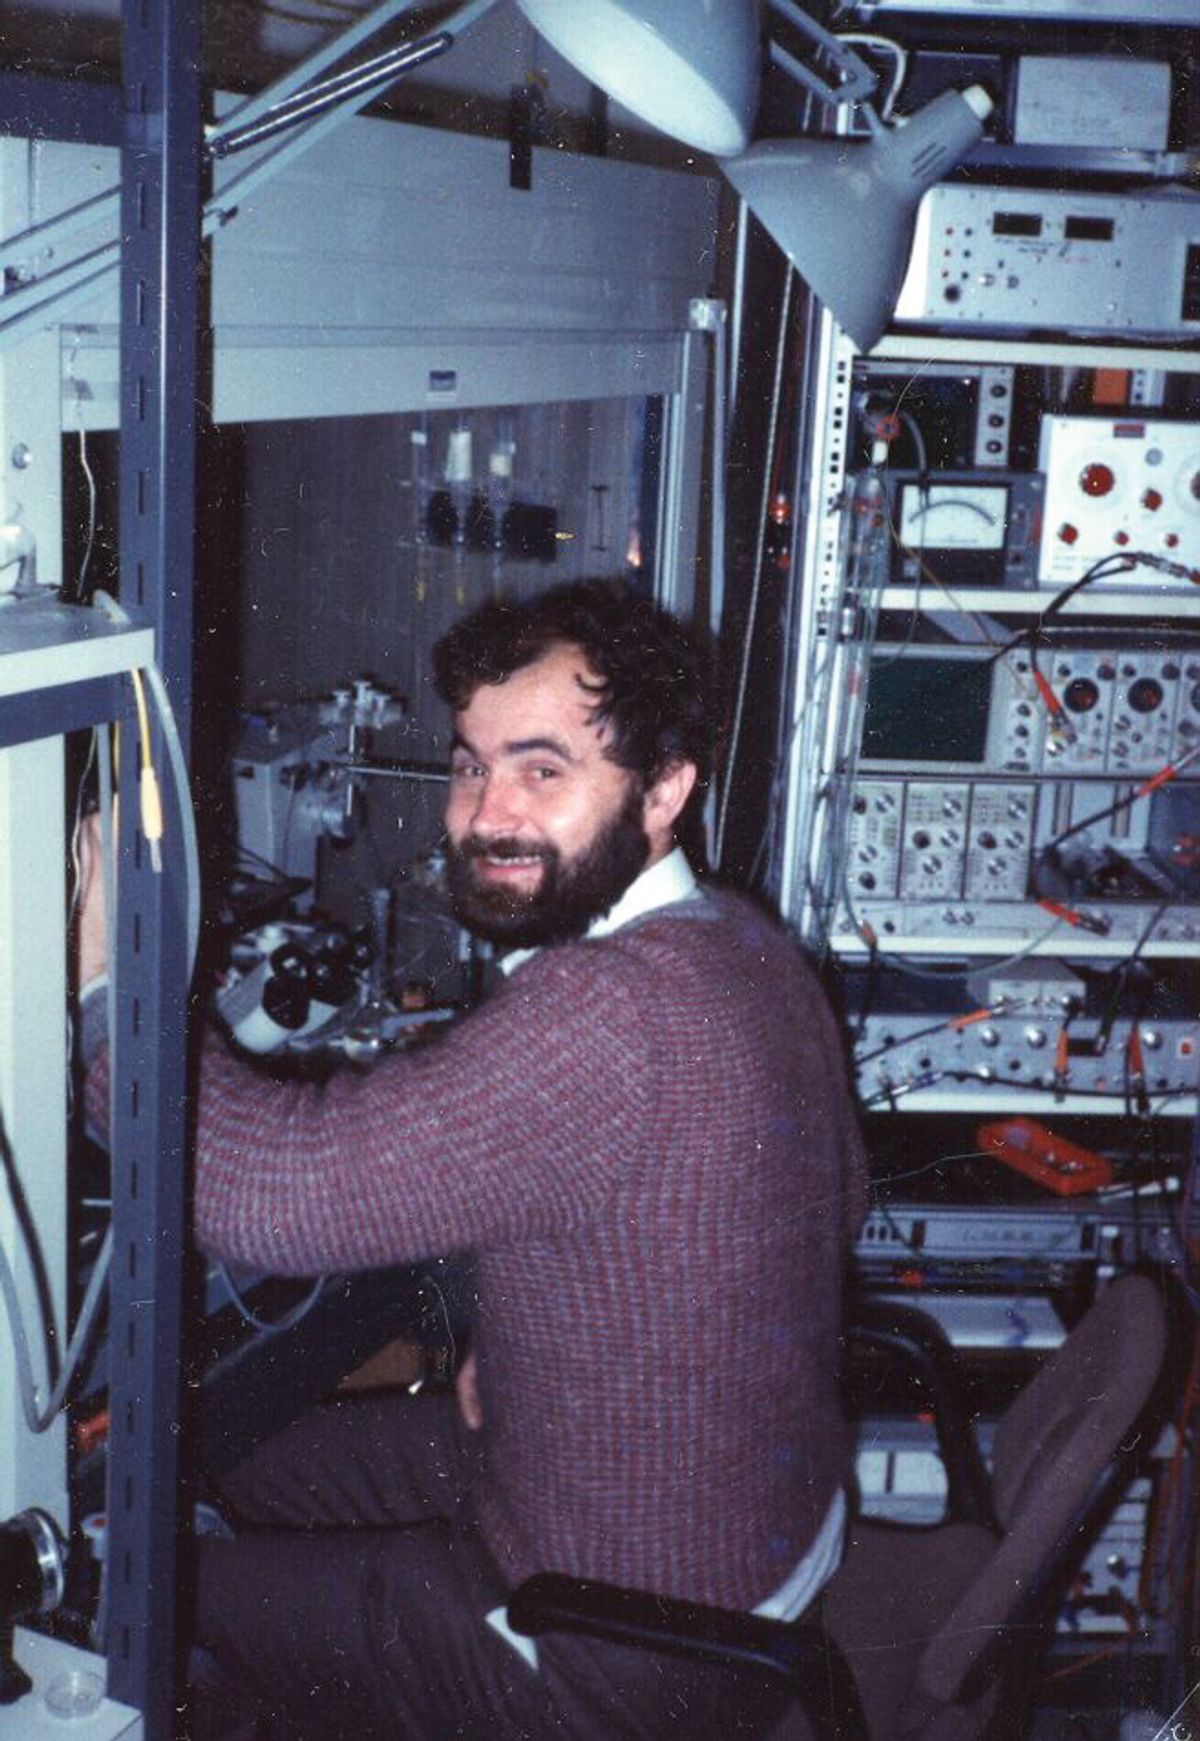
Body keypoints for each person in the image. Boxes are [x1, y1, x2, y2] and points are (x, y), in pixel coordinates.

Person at [80, 580, 868, 1741]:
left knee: (129, 1590)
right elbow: (833, 1198)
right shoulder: (742, 940)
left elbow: (266, 1197)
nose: (486, 813)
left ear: (664, 792)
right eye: (469, 765)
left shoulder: (610, 1012)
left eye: (543, 771)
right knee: (243, 1462)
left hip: (622, 1647)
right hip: (739, 1535)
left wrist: (108, 987)